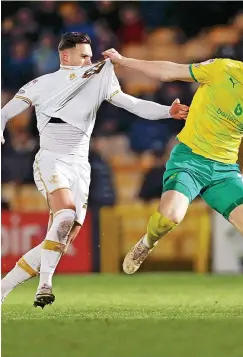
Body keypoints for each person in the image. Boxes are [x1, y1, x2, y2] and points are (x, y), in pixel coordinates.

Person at [102, 41, 243, 316]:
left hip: (224, 171)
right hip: (190, 160)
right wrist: (124, 60)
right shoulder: (222, 70)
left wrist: (241, 172)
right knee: (169, 218)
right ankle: (147, 242)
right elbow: (170, 71)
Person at [0, 32, 189, 308]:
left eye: (91, 55)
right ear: (65, 56)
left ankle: (3, 288)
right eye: (84, 55)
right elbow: (5, 112)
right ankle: (45, 285)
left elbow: (131, 103)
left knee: (62, 237)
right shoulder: (42, 84)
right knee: (64, 215)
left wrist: (166, 112)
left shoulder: (100, 76)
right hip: (52, 159)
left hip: (80, 165)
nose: (90, 59)